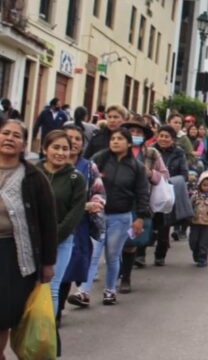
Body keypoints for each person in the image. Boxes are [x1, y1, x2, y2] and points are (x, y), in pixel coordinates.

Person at [0, 120, 57, 357]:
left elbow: (47, 222)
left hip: (13, 256)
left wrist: (48, 263)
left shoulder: (34, 178)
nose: (10, 138)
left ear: (24, 144)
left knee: (2, 315)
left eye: (16, 135)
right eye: (5, 133)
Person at [79, 128, 151, 305]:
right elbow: (87, 182)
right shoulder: (99, 159)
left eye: (120, 139)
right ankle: (83, 292)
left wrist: (140, 217)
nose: (115, 141)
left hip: (121, 217)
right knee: (94, 254)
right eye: (113, 138)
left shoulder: (136, 167)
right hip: (98, 214)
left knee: (112, 255)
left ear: (128, 143)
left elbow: (142, 193)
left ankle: (110, 290)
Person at [37, 130, 87, 314]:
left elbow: (75, 213)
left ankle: (48, 331)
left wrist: (54, 236)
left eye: (65, 149)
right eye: (55, 147)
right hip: (32, 240)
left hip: (61, 240)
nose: (60, 153)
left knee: (51, 288)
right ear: (44, 149)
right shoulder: (33, 173)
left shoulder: (76, 178)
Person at [58, 125, 105, 321]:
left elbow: (99, 193)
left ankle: (57, 309)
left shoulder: (89, 167)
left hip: (79, 225)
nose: (74, 142)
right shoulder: (50, 165)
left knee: (69, 266)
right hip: (52, 222)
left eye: (78, 138)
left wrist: (94, 204)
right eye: (69, 138)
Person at [120, 117, 168, 287]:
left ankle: (126, 276)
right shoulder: (117, 151)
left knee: (131, 241)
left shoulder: (152, 153)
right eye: (131, 132)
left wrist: (151, 174)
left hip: (139, 202)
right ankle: (118, 269)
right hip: (118, 200)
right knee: (116, 239)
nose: (134, 135)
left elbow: (164, 176)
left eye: (138, 132)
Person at [149, 125, 191, 265]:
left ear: (173, 139)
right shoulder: (150, 151)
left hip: (167, 192)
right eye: (161, 136)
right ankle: (140, 255)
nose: (163, 139)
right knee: (147, 223)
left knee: (163, 226)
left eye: (167, 137)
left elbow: (184, 173)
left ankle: (160, 255)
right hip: (150, 190)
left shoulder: (179, 153)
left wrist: (169, 182)